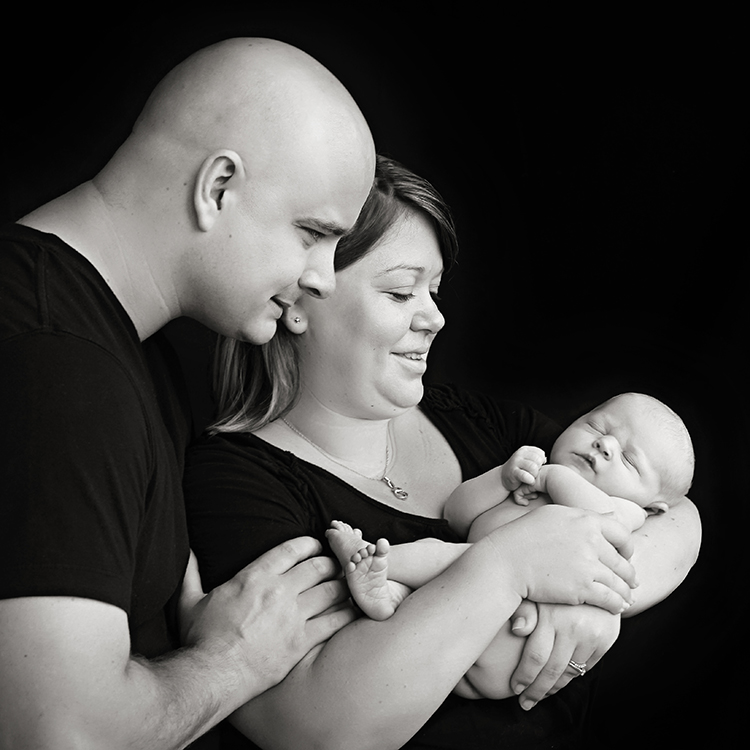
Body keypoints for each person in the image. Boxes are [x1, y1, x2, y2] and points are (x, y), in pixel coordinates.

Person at [183, 155, 701, 749]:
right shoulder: (236, 480)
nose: (435, 318)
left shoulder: (481, 424)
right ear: (301, 295)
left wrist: (594, 598)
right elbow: (315, 729)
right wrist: (510, 568)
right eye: (401, 292)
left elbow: (679, 513)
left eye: (433, 291)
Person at [0, 38, 376, 748]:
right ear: (218, 187)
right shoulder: (58, 370)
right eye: (312, 233)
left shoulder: (132, 352)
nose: (325, 279)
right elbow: (64, 736)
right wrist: (236, 662)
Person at [326, 390, 695, 699]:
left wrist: (554, 477)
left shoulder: (627, 511)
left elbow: (602, 522)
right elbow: (457, 514)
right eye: (596, 426)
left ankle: (377, 564)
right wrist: (501, 479)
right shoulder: (529, 466)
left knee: (455, 558)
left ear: (653, 507)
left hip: (513, 637)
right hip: (446, 622)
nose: (604, 443)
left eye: (629, 459)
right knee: (445, 555)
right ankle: (386, 587)